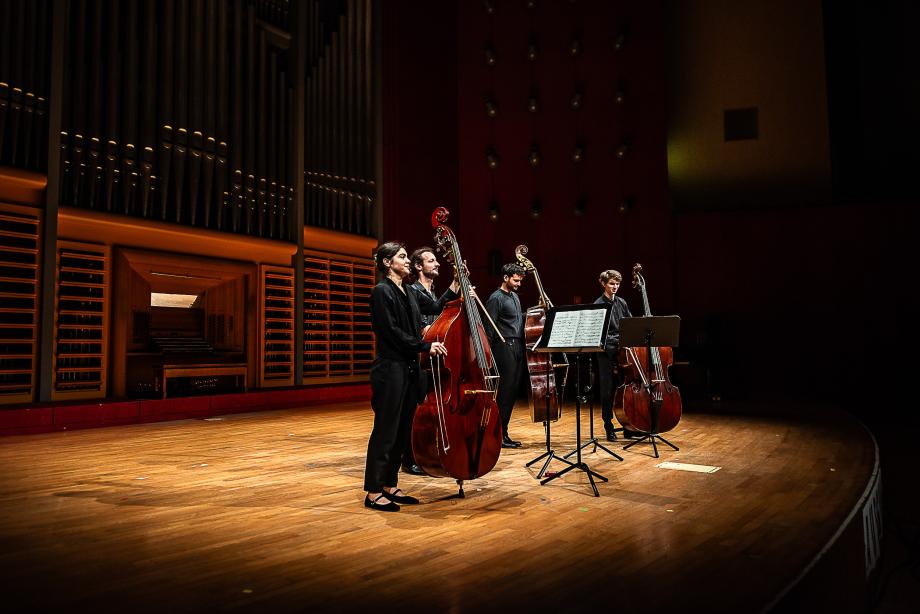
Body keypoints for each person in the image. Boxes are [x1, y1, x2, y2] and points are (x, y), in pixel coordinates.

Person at [363, 242, 447, 512]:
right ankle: (373, 491)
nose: (407, 261)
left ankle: (390, 485)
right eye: (401, 257)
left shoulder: (409, 291)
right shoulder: (381, 292)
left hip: (409, 369)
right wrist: (424, 346)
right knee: (385, 431)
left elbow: (436, 306)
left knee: (402, 431)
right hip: (390, 369)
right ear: (387, 263)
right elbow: (391, 332)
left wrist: (458, 282)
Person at [398, 247, 460, 475]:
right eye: (431, 261)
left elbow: (438, 310)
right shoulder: (412, 290)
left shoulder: (432, 293)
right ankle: (408, 457)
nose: (437, 264)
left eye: (436, 260)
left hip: (432, 357)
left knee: (426, 408)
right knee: (414, 408)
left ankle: (426, 450)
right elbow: (419, 326)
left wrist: (457, 284)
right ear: (418, 266)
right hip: (418, 356)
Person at [485, 263, 527, 449]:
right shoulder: (496, 298)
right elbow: (489, 328)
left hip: (517, 345)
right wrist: (489, 355)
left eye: (520, 280)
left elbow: (516, 319)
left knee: (511, 393)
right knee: (503, 393)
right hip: (503, 347)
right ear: (505, 278)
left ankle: (504, 432)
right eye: (516, 280)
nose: (518, 284)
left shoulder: (515, 297)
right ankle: (496, 434)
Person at [593, 269, 636, 441]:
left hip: (622, 351)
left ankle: (628, 425)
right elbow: (599, 333)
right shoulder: (598, 304)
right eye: (611, 283)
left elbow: (631, 324)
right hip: (606, 352)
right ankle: (608, 426)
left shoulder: (621, 303)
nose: (615, 287)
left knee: (626, 389)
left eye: (617, 284)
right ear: (603, 284)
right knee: (607, 390)